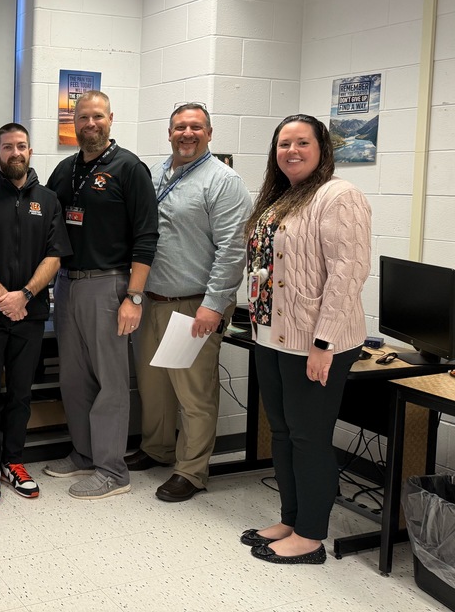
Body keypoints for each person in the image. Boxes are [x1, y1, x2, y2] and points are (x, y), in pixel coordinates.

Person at [241, 114, 371, 565]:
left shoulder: (338, 196)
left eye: (301, 143)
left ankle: (311, 536)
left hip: (315, 342)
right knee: (282, 433)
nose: (291, 151)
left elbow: (347, 274)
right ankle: (291, 518)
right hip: (273, 337)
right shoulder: (282, 197)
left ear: (322, 149)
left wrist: (325, 342)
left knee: (309, 436)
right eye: (283, 144)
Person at [130, 103, 251, 501]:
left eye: (195, 127)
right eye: (180, 127)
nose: (187, 133)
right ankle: (157, 449)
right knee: (155, 385)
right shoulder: (158, 173)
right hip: (153, 298)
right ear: (169, 133)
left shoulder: (223, 181)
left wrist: (213, 305)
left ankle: (192, 470)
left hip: (193, 303)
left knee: (193, 393)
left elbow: (233, 250)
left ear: (209, 133)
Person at [41, 90, 159, 499]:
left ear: (111, 118)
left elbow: (147, 237)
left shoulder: (130, 168)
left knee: (111, 382)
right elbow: (38, 205)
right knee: (73, 378)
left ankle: (113, 471)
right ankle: (84, 454)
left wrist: (135, 297)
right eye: (83, 118)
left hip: (111, 285)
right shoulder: (66, 169)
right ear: (73, 122)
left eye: (97, 117)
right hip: (68, 284)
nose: (90, 124)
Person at [0, 123, 69, 505]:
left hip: (31, 313)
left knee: (21, 393)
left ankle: (14, 461)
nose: (15, 152)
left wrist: (24, 295)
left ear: (30, 151)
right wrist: (3, 296)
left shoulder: (49, 200)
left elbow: (54, 255)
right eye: (8, 147)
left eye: (21, 146)